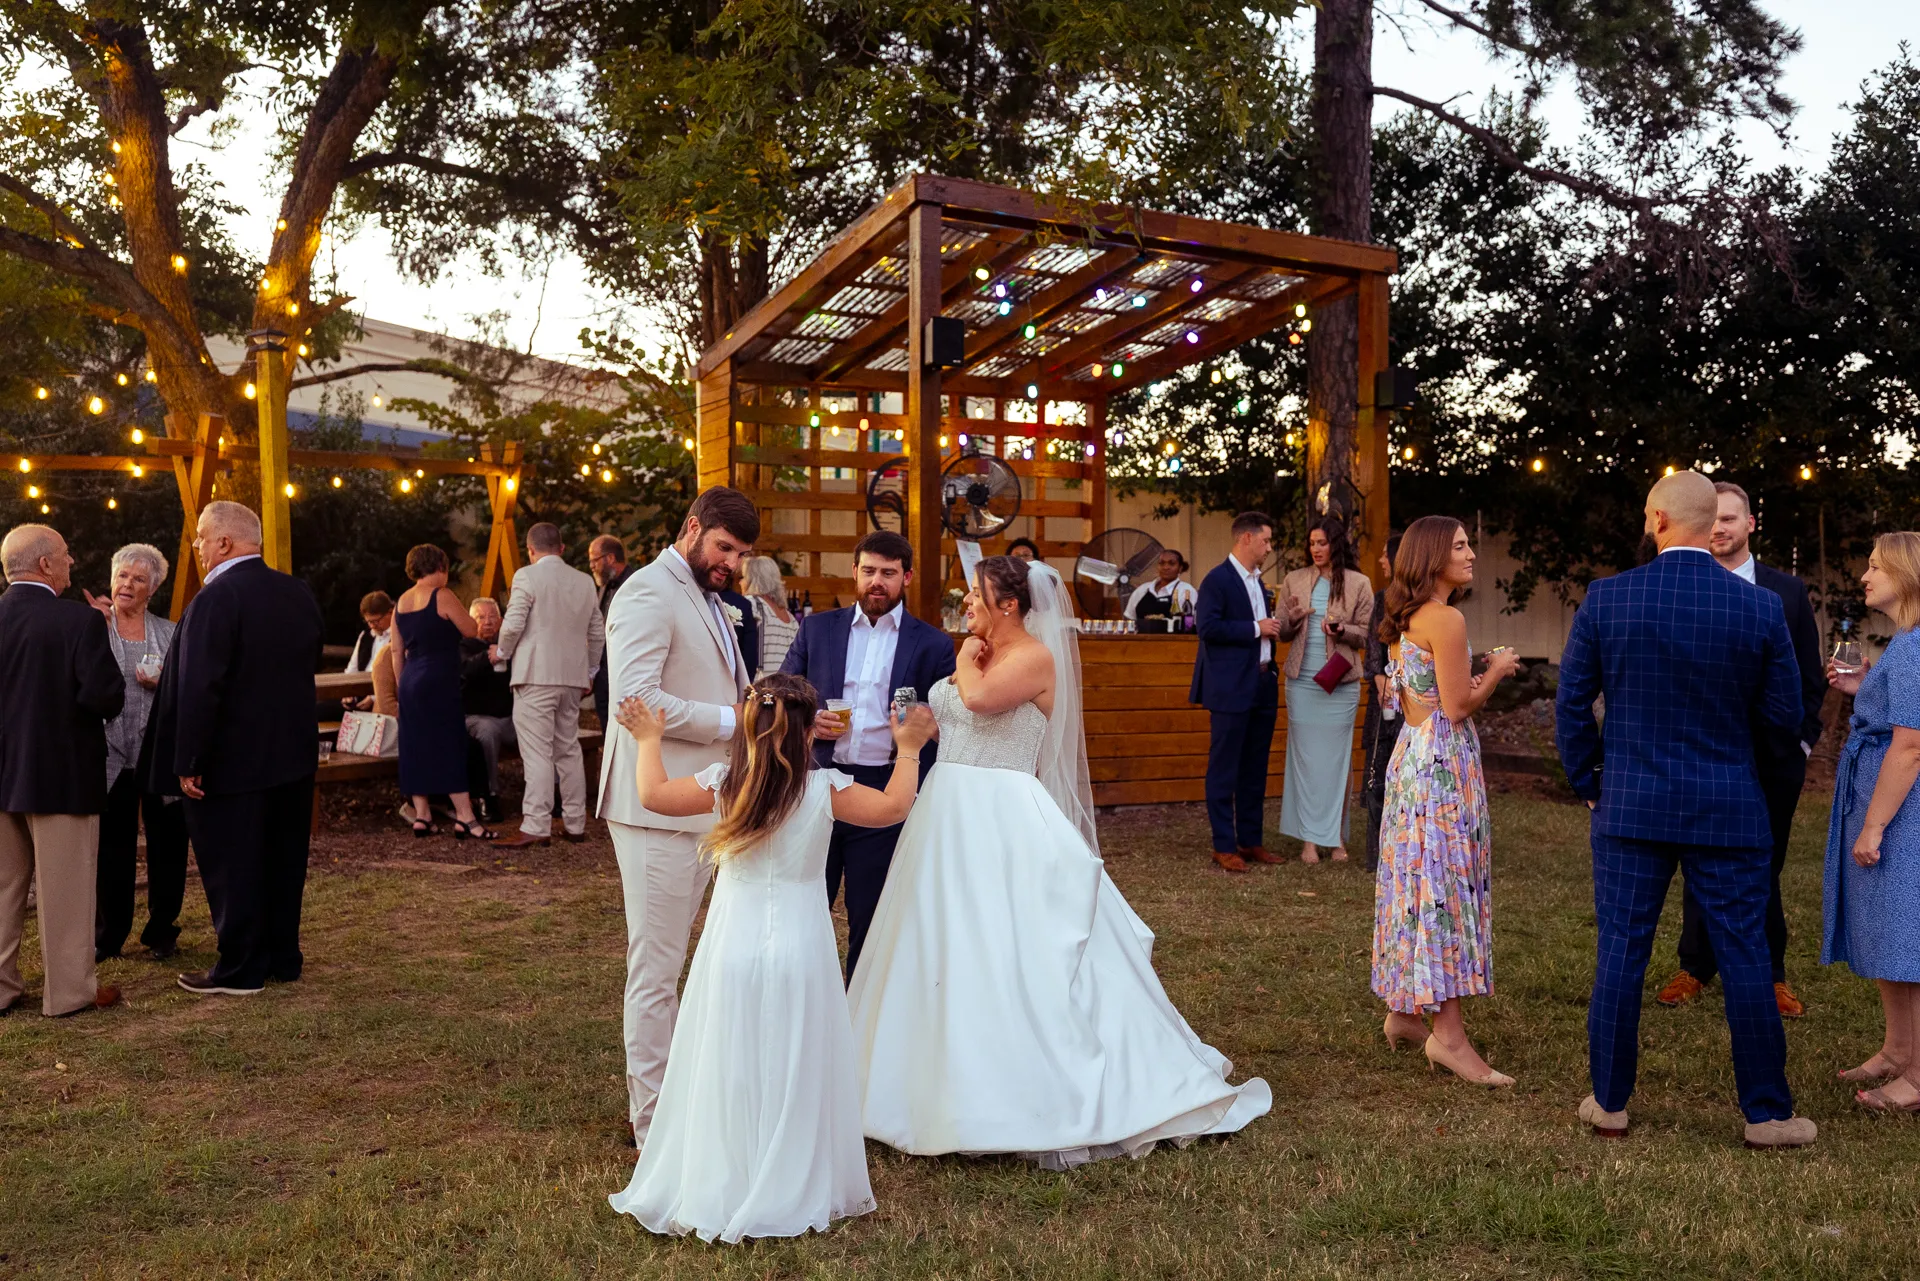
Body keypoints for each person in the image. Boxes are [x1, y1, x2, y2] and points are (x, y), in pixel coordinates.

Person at [850, 556, 1271, 1168]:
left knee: (1011, 945)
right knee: (944, 941)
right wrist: (916, 732)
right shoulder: (981, 650)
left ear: (1011, 606)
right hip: (947, 812)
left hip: (1002, 813)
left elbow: (980, 699)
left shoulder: (1029, 658)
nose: (967, 605)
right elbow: (961, 722)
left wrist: (965, 657)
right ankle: (921, 1083)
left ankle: (1026, 1093)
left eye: (977, 597)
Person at [605, 679, 933, 1242]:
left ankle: (730, 1170)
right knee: (794, 1056)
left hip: (732, 946)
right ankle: (787, 1172)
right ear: (809, 735)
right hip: (800, 952)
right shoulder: (826, 790)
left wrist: (649, 738)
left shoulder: (723, 787)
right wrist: (908, 747)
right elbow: (894, 807)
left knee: (731, 1056)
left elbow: (653, 795)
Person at [1554, 470, 1816, 1148]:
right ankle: (1767, 1114)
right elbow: (1785, 717)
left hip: (1631, 803)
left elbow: (1572, 702)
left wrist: (1589, 777)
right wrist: (1736, 763)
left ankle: (1609, 1102)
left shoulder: (1608, 599)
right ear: (1711, 524)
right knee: (1747, 956)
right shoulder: (1758, 608)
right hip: (1728, 804)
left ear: (1661, 521)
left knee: (1621, 951)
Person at [597, 486, 755, 1144]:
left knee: (689, 959)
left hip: (701, 802)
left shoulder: (711, 597)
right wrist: (733, 721)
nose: (731, 563)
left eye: (742, 554)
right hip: (653, 803)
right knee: (658, 965)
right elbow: (635, 699)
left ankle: (684, 1098)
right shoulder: (646, 591)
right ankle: (652, 1122)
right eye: (724, 547)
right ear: (692, 528)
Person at [1657, 482, 1826, 1018]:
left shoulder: (1786, 592)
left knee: (1765, 865)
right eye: (1714, 519)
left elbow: (1807, 677)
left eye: (1732, 518)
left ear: (1751, 523)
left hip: (1772, 760)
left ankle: (1771, 975)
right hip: (1700, 753)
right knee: (1696, 858)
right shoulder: (1682, 586)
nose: (1721, 528)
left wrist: (1799, 741)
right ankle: (1696, 964)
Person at [146, 501, 325, 996]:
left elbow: (201, 686)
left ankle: (241, 968)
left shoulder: (215, 599)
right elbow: (305, 662)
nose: (198, 547)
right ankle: (282, 958)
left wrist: (189, 761)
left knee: (234, 863)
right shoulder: (297, 592)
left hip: (231, 761)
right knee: (284, 860)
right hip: (292, 754)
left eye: (202, 538)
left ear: (224, 542)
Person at [1372, 517, 1521, 1086]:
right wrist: (1499, 671)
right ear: (1433, 556)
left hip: (1411, 758)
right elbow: (1457, 706)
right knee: (1444, 883)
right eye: (1459, 546)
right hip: (1442, 763)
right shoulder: (1448, 617)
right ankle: (1450, 1037)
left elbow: (1425, 692)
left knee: (1416, 879)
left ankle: (1407, 1011)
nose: (1471, 554)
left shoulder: (1407, 617)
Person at [779, 530, 956, 978]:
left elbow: (945, 720)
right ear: (855, 572)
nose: (878, 582)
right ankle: (806, 1000)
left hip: (883, 789)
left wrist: (919, 731)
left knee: (871, 914)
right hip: (818, 782)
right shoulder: (818, 628)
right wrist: (809, 719)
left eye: (889, 574)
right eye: (870, 571)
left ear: (907, 578)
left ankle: (858, 1019)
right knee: (804, 905)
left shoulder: (933, 644)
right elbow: (781, 692)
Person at [0, 524, 124, 1017]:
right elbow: (105, 696)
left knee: (3, 887)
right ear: (46, 565)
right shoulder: (79, 622)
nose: (72, 563)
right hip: (62, 776)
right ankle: (69, 993)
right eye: (67, 556)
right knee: (66, 888)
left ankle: (2, 988)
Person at [1820, 532, 1920, 1113]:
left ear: (1905, 575)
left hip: (1904, 811)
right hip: (1888, 799)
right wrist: (1866, 690)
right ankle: (1897, 1048)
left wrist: (1874, 826)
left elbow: (1910, 747)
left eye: (1876, 566)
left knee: (1908, 933)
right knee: (1890, 929)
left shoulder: (1915, 646)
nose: (1865, 575)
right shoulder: (1904, 643)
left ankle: (1918, 1074)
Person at [86, 543, 190, 962]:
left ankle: (162, 929)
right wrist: (94, 623)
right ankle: (109, 935)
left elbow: (186, 688)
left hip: (158, 752)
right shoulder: (94, 626)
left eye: (138, 579)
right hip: (108, 755)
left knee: (169, 844)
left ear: (154, 588)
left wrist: (163, 685)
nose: (127, 584)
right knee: (113, 849)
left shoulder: (170, 632)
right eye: (122, 576)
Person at [492, 524, 603, 848]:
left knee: (537, 752)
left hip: (535, 675)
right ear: (562, 548)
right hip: (571, 678)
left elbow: (513, 623)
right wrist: (591, 670)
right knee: (568, 749)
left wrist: (500, 653)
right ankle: (574, 823)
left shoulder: (527, 577)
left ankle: (537, 824)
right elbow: (597, 632)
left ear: (530, 550)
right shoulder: (584, 581)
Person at [1275, 515, 1374, 864]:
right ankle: (1309, 843)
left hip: (1340, 682)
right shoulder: (1294, 580)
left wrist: (1340, 629)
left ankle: (1334, 839)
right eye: (1312, 543)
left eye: (1322, 542)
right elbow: (1281, 631)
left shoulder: (1359, 583)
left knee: (1336, 761)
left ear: (1336, 544)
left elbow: (1366, 634)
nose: (1316, 549)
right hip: (1301, 682)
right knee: (1305, 761)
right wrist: (1294, 618)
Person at [1192, 512, 1284, 872]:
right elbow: (1208, 628)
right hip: (1231, 687)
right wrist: (1255, 628)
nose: (1269, 547)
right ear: (1245, 538)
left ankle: (1250, 840)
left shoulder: (1259, 582)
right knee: (1224, 767)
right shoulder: (1218, 580)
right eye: (1266, 540)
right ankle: (1223, 844)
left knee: (1255, 767)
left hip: (1262, 682)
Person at [391, 544, 495, 840]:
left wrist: (402, 686)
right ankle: (465, 816)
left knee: (414, 745)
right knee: (449, 741)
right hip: (439, 677)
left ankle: (422, 814)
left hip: (410, 679)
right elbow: (470, 630)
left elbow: (396, 650)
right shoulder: (442, 596)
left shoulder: (401, 601)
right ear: (439, 567)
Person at [1359, 531, 1405, 872]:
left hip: (1413, 701)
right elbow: (1374, 646)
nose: (1381, 561)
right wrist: (1379, 680)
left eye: (1386, 555)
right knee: (1378, 772)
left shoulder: (1427, 602)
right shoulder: (1381, 598)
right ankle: (1375, 854)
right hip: (1383, 699)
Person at [460, 596, 516, 824]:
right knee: (487, 731)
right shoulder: (464, 646)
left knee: (539, 725)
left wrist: (504, 653)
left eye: (493, 616)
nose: (488, 622)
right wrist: (487, 657)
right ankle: (488, 795)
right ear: (471, 622)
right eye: (481, 617)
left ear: (502, 621)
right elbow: (463, 670)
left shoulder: (512, 644)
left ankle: (550, 793)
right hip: (477, 716)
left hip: (511, 716)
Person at [589, 535, 634, 729]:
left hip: (627, 669)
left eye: (594, 560)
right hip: (603, 671)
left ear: (610, 558)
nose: (591, 566)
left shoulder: (636, 582)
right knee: (606, 727)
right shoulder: (604, 586)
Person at [743, 555, 800, 675]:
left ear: (752, 579)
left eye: (743, 577)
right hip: (784, 687)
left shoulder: (751, 605)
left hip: (761, 687)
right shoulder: (790, 617)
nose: (740, 582)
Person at [1124, 549, 1198, 623]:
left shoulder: (1186, 591)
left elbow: (1190, 623)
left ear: (1180, 568)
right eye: (1161, 563)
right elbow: (1130, 618)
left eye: (1171, 563)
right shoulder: (1142, 589)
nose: (1165, 567)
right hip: (1141, 634)